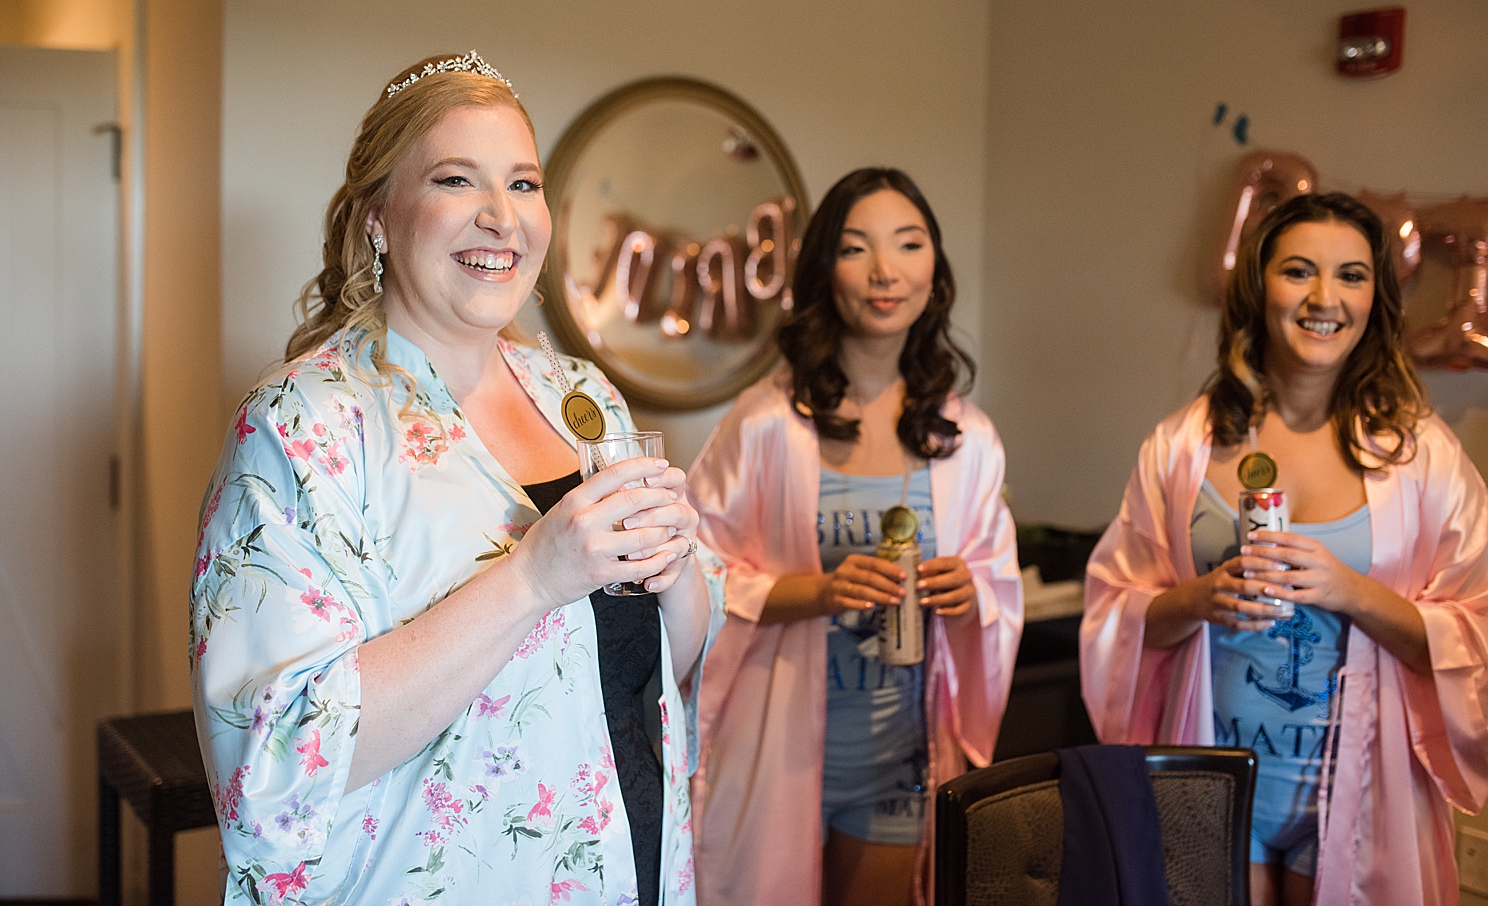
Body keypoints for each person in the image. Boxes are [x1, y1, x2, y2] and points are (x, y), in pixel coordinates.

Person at [190, 52, 723, 905]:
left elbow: (664, 663)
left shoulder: (581, 396)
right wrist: (533, 577)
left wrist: (677, 572)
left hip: (632, 862)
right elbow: (274, 760)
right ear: (379, 219)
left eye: (522, 183)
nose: (500, 218)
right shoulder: (302, 426)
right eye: (454, 179)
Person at [1081, 192, 1488, 906]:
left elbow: (1482, 630)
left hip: (1357, 786)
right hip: (1212, 778)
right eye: (1299, 271)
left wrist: (1352, 591)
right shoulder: (1184, 447)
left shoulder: (1421, 455)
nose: (1324, 297)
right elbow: (1113, 617)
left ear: (1376, 297)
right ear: (1259, 286)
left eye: (1352, 275)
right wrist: (1197, 599)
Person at [687, 168, 1023, 906]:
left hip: (900, 758)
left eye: (909, 244)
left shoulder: (965, 438)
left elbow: (998, 587)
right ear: (823, 272)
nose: (884, 271)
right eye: (855, 247)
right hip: (776, 751)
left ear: (934, 271)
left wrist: (968, 594)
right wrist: (818, 592)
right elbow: (690, 577)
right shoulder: (766, 423)